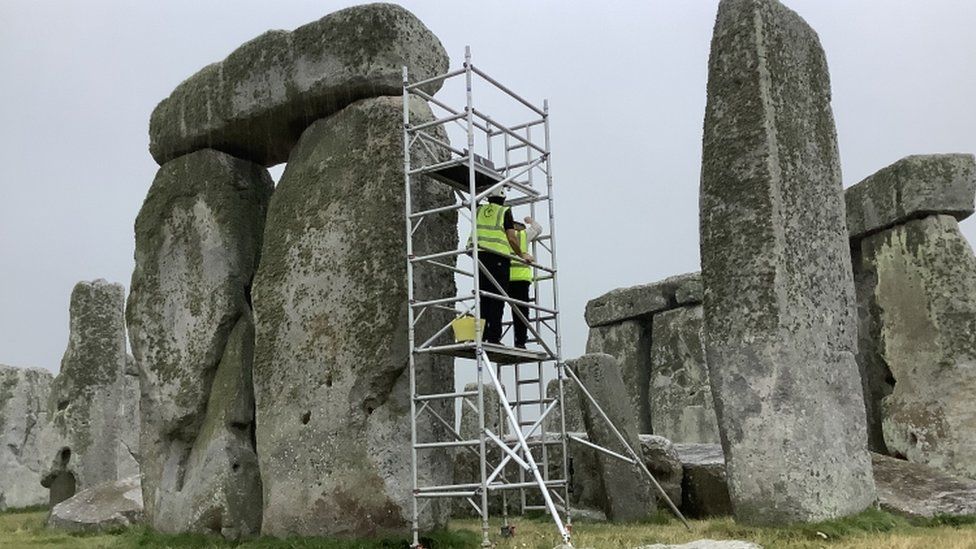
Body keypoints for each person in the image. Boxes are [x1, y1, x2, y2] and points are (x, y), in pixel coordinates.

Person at [468, 186, 531, 344]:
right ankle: (494, 337)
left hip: (481, 257)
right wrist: (520, 254)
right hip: (498, 258)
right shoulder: (504, 211)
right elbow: (511, 238)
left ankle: (481, 335)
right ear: (503, 198)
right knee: (497, 298)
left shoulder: (479, 210)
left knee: (483, 298)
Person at [509, 216, 542, 348]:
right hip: (521, 278)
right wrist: (531, 221)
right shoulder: (523, 235)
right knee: (521, 312)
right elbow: (538, 228)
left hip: (503, 276)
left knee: (495, 308)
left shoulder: (503, 235)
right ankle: (520, 341)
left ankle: (492, 337)